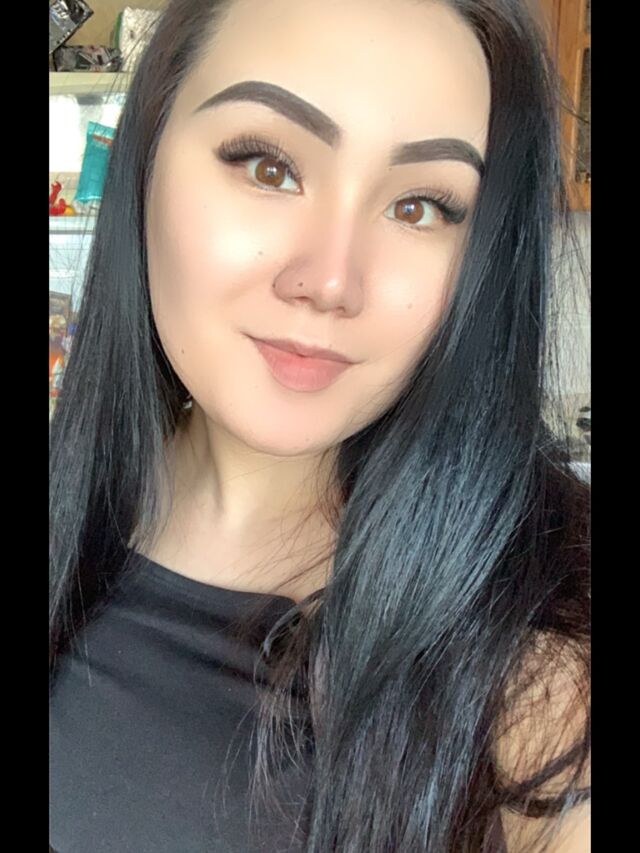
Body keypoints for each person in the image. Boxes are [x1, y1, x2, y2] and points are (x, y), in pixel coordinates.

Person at [49, 0, 591, 851]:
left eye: (420, 206)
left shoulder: (545, 676)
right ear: (144, 157)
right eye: (268, 167)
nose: (332, 281)